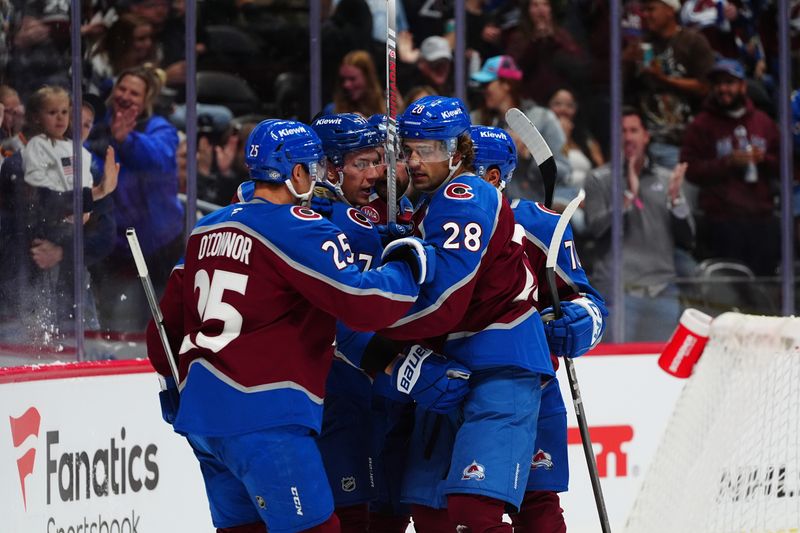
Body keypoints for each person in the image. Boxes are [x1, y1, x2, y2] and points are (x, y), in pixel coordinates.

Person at [146, 118, 436, 533]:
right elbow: (361, 303)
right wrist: (405, 264)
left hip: (204, 422)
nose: (317, 178)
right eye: (314, 168)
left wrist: (179, 387)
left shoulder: (205, 228)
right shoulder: (297, 225)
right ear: (297, 173)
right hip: (266, 417)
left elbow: (162, 333)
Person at [375, 96, 554, 532]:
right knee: (432, 514)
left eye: (430, 150)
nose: (416, 161)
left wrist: (369, 324)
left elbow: (445, 301)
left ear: (458, 151)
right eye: (410, 150)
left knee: (476, 512)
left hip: (500, 362)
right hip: (455, 365)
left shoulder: (465, 193)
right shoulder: (434, 203)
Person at [471, 124, 607, 532]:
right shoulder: (432, 221)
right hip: (453, 383)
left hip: (531, 385)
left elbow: (589, 301)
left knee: (536, 505)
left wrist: (580, 323)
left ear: (494, 176)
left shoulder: (537, 224)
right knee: (453, 509)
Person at [584, 107, 695, 342]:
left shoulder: (667, 180)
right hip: (620, 296)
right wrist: (627, 199)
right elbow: (594, 228)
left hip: (663, 293)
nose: (628, 136)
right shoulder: (599, 179)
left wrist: (676, 201)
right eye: (622, 131)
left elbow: (688, 239)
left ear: (646, 136)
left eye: (634, 130)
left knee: (661, 375)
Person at [87, 64, 183, 331]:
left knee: (164, 322)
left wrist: (127, 140)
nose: (125, 96)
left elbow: (159, 161)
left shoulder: (159, 127)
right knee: (117, 324)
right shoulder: (96, 127)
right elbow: (91, 168)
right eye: (122, 88)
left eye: (135, 93)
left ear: (146, 101)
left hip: (162, 244)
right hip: (116, 245)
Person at [680, 58, 780, 276]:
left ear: (743, 86)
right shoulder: (701, 125)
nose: (723, 88)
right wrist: (727, 163)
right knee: (731, 289)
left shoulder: (764, 122)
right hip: (722, 222)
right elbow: (690, 168)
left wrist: (764, 160)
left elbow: (786, 164)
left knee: (765, 287)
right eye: (718, 83)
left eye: (730, 82)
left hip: (761, 220)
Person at [622, 0, 715, 169]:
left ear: (669, 11)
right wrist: (625, 62)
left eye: (651, 9)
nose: (646, 15)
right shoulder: (642, 44)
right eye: (644, 10)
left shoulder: (693, 41)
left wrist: (664, 78)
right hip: (645, 138)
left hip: (681, 139)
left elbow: (705, 87)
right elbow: (621, 89)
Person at [470, 55, 571, 203]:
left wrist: (531, 156)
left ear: (506, 84)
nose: (484, 90)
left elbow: (564, 171)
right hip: (489, 208)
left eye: (488, 84)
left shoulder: (543, 118)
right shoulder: (476, 120)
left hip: (531, 208)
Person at [325, 50, 387, 117]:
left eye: (352, 79)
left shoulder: (386, 109)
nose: (346, 85)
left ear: (368, 78)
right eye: (343, 79)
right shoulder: (331, 111)